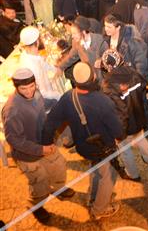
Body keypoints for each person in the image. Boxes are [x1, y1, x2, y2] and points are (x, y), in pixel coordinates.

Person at [42, 62, 123, 219]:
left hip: (83, 146)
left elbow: (49, 123)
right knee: (108, 176)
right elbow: (118, 131)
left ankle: (93, 197)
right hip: (103, 147)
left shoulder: (68, 97)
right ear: (93, 78)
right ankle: (99, 209)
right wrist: (120, 137)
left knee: (96, 169)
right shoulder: (103, 101)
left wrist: (46, 143)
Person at [2, 68, 74, 223]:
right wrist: (40, 149)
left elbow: (43, 105)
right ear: (16, 87)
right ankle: (35, 206)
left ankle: (58, 189)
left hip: (45, 143)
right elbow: (14, 140)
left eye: (31, 86)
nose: (29, 92)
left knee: (59, 166)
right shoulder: (12, 110)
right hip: (28, 155)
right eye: (24, 88)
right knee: (39, 183)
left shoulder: (36, 93)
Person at [102, 65, 148, 181]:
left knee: (125, 150)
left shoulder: (109, 86)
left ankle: (133, 174)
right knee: (141, 139)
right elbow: (144, 86)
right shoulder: (134, 73)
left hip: (124, 126)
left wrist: (119, 134)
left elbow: (121, 112)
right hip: (138, 118)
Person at [18, 26, 63, 102]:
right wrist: (59, 96)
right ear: (37, 42)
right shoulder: (32, 66)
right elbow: (43, 92)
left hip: (48, 88)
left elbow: (43, 63)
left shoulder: (28, 53)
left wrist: (55, 69)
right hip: (45, 99)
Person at [101, 14, 148, 82]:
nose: (106, 29)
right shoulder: (105, 38)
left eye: (109, 27)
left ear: (118, 28)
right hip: (115, 79)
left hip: (129, 79)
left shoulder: (131, 41)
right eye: (105, 25)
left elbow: (141, 64)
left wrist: (137, 82)